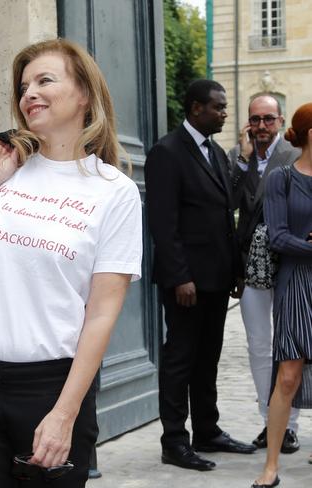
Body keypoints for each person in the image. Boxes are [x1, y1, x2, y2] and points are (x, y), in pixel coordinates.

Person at [0, 38, 143, 487]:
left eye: (45, 80)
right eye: (24, 86)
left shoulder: (113, 190)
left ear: (84, 94)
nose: (29, 94)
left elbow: (103, 313)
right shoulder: (4, 168)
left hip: (47, 388)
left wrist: (65, 414)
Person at [145, 79, 256, 472]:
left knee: (207, 359)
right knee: (180, 360)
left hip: (217, 278)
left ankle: (207, 431)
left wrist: (236, 271)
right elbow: (163, 221)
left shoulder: (215, 152)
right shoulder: (166, 152)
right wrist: (179, 277)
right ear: (195, 108)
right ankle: (174, 441)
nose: (226, 113)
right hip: (187, 283)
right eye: (219, 107)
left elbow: (227, 212)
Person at [229, 94, 301, 453]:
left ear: (281, 121)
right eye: (255, 119)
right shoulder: (236, 158)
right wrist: (242, 161)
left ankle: (290, 424)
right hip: (251, 267)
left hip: (291, 263)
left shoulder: (294, 155)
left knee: (290, 347)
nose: (260, 127)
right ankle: (268, 420)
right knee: (258, 345)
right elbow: (227, 202)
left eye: (268, 120)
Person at [251, 102, 312, 488]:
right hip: (297, 283)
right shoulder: (283, 178)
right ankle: (271, 465)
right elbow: (277, 237)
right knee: (288, 375)